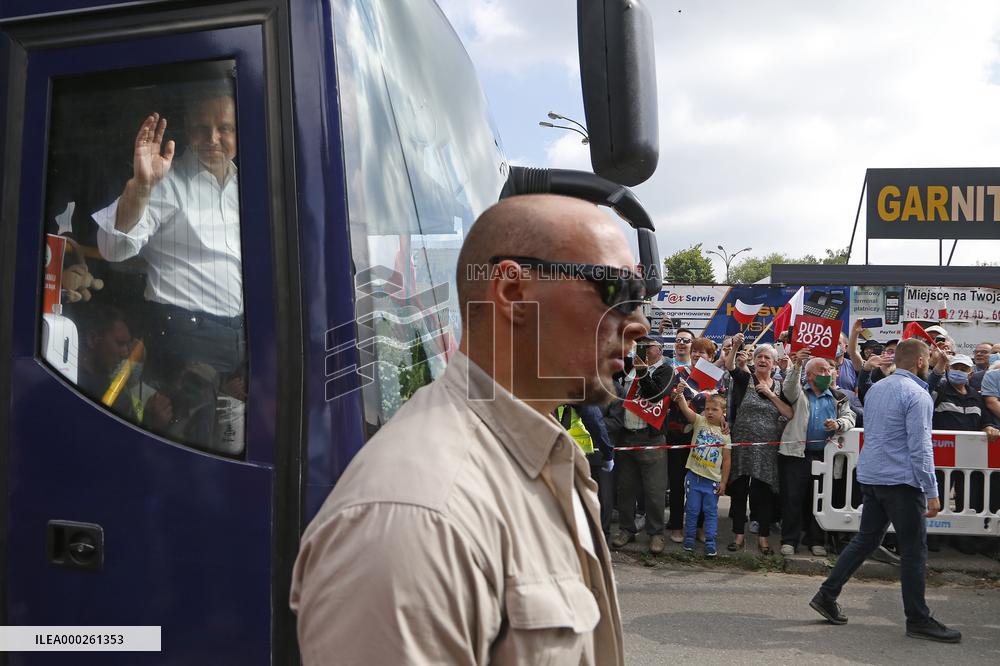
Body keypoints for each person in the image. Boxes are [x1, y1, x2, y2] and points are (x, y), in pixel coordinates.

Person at [290, 194, 648, 665]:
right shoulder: (419, 517)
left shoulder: (543, 460)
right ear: (513, 293)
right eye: (618, 293)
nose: (638, 324)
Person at [93, 82, 246, 451]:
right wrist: (141, 188)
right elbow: (113, 248)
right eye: (201, 128)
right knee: (194, 462)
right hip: (186, 341)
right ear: (188, 129)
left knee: (238, 453)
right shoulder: (167, 181)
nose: (213, 138)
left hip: (240, 343)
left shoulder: (249, 184)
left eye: (224, 128)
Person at [809, 339, 961, 644]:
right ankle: (918, 619)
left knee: (866, 540)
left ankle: (827, 594)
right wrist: (931, 490)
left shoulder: (878, 388)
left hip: (872, 476)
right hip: (901, 481)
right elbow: (920, 447)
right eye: (928, 359)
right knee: (914, 550)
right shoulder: (917, 394)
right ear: (920, 361)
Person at [778, 353, 856, 557]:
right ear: (810, 375)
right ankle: (790, 540)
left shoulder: (839, 397)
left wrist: (838, 424)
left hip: (826, 457)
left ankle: (817, 541)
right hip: (797, 455)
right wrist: (796, 365)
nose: (827, 373)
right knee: (793, 498)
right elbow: (788, 387)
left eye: (829, 370)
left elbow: (850, 418)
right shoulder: (799, 393)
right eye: (822, 370)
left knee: (820, 499)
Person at [724, 335, 792, 554]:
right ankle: (738, 537)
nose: (763, 360)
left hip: (766, 450)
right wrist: (735, 347)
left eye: (767, 358)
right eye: (759, 357)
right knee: (739, 492)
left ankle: (763, 539)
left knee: (763, 496)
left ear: (773, 364)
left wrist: (771, 394)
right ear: (754, 361)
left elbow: (789, 413)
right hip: (742, 447)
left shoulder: (781, 387)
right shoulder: (746, 379)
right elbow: (731, 367)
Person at [610, 336, 673, 553]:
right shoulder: (628, 366)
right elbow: (609, 374)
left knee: (654, 491)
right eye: (640, 345)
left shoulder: (666, 370)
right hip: (627, 436)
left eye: (648, 345)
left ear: (660, 349)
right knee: (626, 489)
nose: (643, 349)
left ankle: (656, 534)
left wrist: (643, 371)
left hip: (651, 438)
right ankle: (627, 529)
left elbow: (655, 395)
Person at [672, 388, 731, 557]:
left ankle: (710, 541)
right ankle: (689, 537)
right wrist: (681, 395)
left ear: (723, 412)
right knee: (691, 509)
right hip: (693, 477)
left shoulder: (725, 435)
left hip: (712, 481)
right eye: (707, 408)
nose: (710, 412)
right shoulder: (699, 421)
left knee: (711, 512)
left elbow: (727, 460)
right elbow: (684, 408)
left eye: (715, 409)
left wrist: (724, 482)